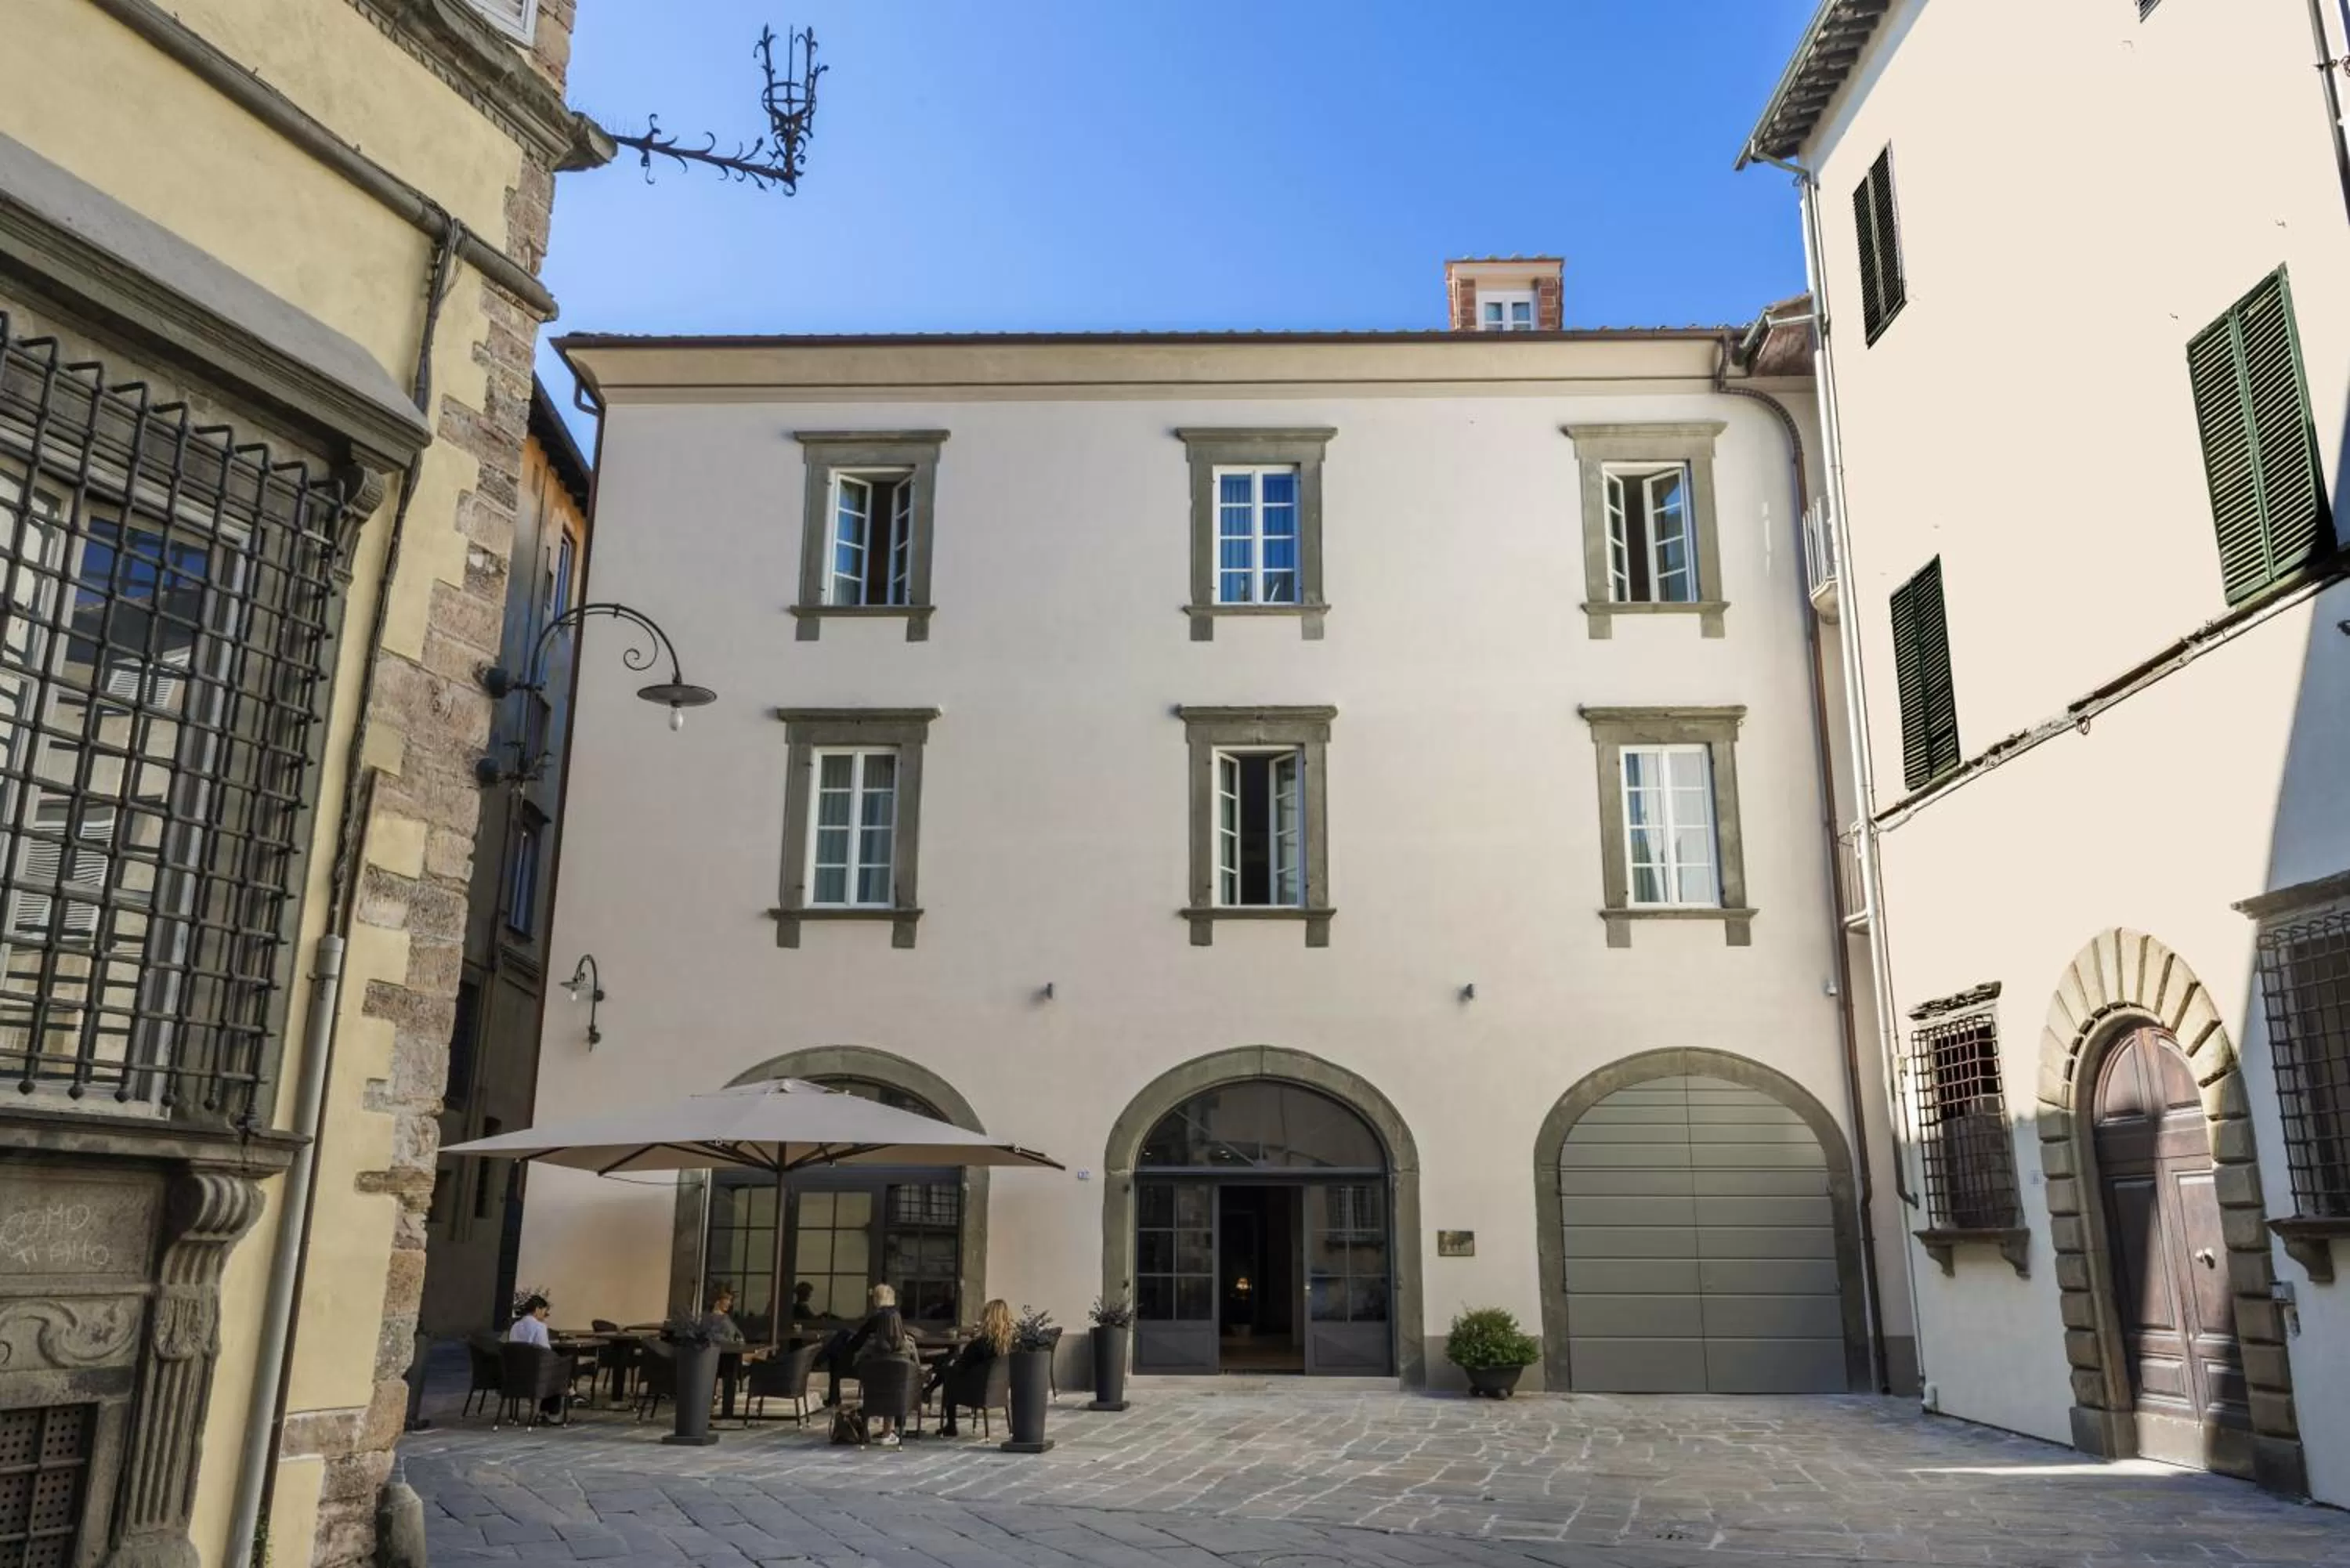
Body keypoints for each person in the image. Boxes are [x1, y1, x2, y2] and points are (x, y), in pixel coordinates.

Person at [924, 1299, 1012, 1438]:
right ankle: (928, 1389)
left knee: (948, 1373)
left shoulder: (980, 1343)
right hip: (994, 1388)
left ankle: (949, 1423)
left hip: (974, 1388)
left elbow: (963, 1365)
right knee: (946, 1365)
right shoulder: (1007, 1344)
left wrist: (944, 1368)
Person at [849, 1283, 920, 1447]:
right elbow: (916, 1366)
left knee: (882, 1384)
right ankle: (890, 1432)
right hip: (899, 1390)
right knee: (898, 1385)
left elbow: (856, 1361)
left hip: (874, 1388)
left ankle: (868, 1429)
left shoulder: (871, 1344)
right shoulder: (908, 1344)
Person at [504, 1295, 568, 1418]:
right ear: (538, 1309)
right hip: (536, 1375)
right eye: (545, 1311)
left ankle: (569, 1393)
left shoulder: (515, 1326)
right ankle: (549, 1412)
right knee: (560, 1369)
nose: (545, 1315)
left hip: (515, 1374)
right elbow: (545, 1351)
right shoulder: (540, 1327)